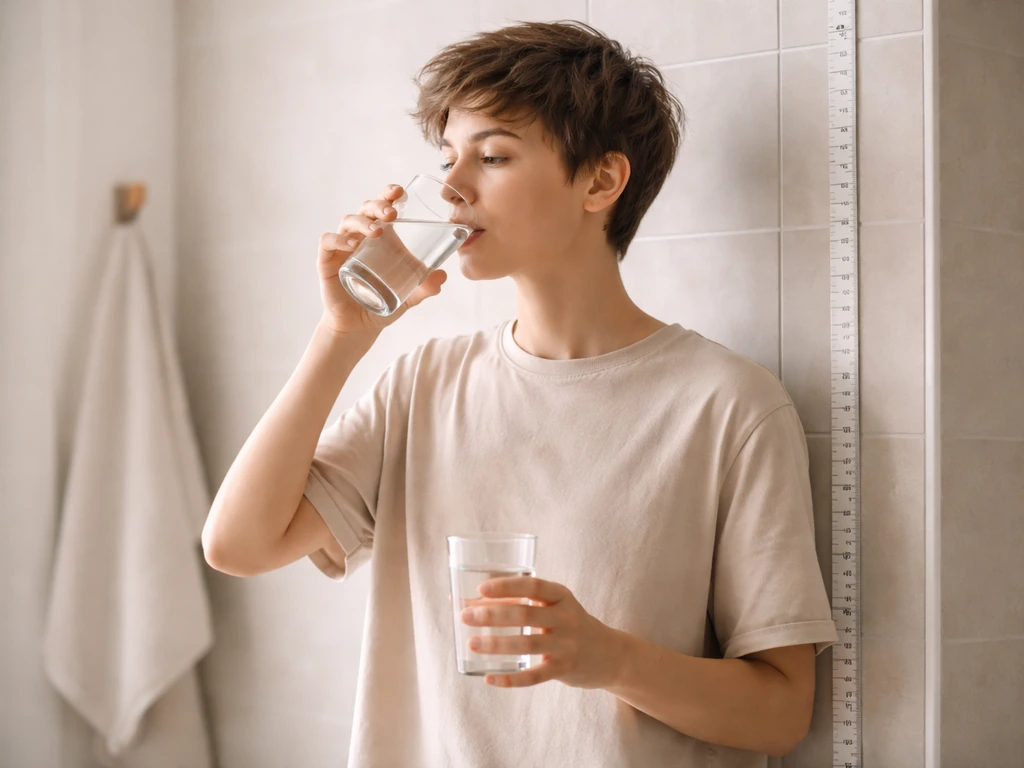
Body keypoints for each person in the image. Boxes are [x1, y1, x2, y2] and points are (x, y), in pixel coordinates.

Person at [202, 20, 837, 768]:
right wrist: (342, 335)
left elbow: (781, 711)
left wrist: (607, 658)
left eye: (493, 156)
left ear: (601, 181)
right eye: (448, 158)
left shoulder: (728, 405)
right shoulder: (423, 384)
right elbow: (236, 545)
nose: (450, 187)